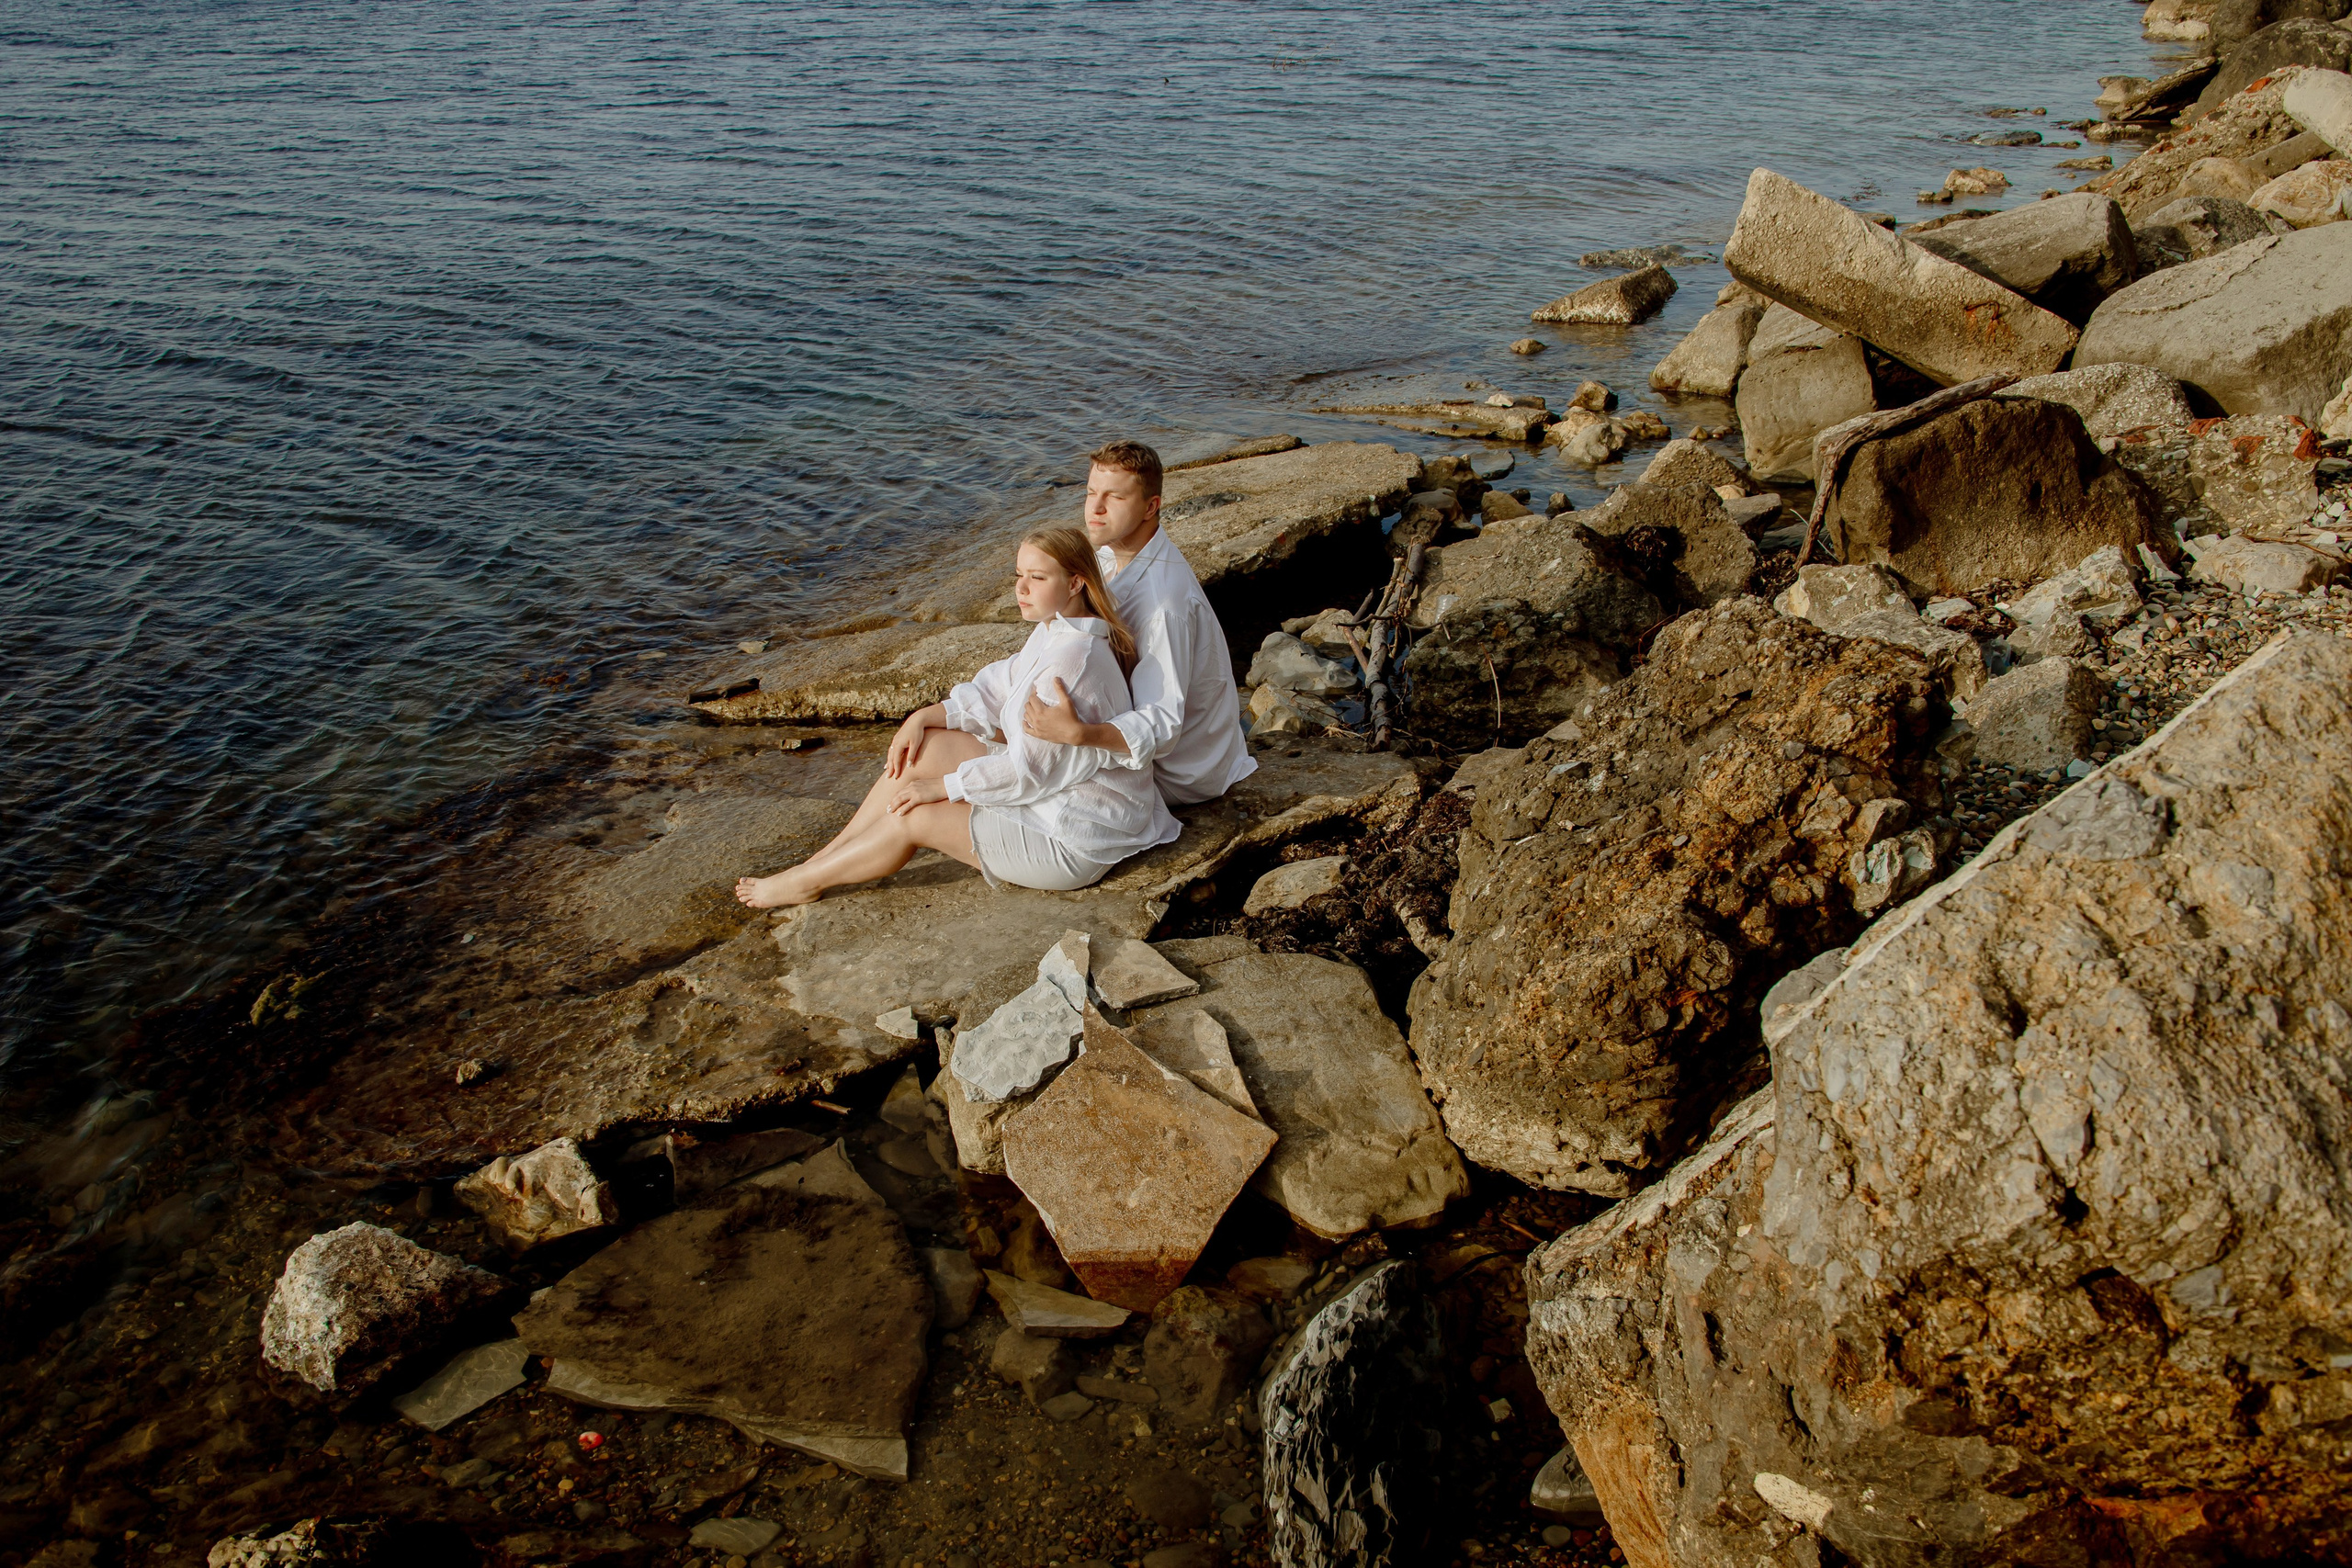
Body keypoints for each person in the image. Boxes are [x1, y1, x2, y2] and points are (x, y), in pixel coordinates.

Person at [733, 528, 1178, 908]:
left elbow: (1028, 773)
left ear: (1076, 582)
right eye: (1019, 575)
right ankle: (823, 857)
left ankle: (806, 882)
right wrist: (925, 716)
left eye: (1037, 578)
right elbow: (996, 689)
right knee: (925, 748)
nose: (1021, 589)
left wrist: (944, 787)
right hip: (1057, 795)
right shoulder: (1057, 633)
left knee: (915, 815)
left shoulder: (1071, 662)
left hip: (1076, 836)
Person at [1019, 440, 1255, 803]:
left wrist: (1079, 734)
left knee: (1006, 777)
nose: (1094, 509)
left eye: (1114, 498)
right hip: (1166, 746)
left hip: (1183, 770)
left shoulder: (1164, 607)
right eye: (1091, 492)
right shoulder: (1109, 556)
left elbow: (1163, 724)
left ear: (1151, 507)